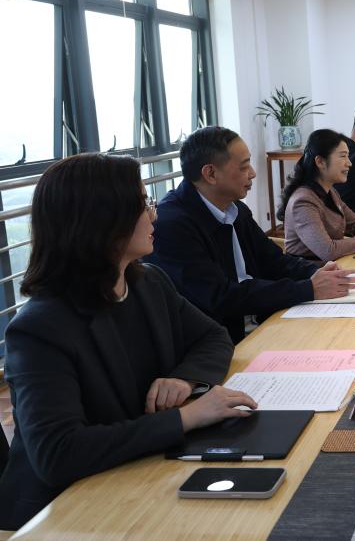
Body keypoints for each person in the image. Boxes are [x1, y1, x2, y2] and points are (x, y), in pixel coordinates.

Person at [0, 154, 257, 529]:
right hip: (66, 512)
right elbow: (58, 453)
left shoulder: (147, 282)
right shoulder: (39, 329)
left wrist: (185, 379)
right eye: (143, 204)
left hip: (141, 471)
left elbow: (213, 336)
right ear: (103, 220)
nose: (154, 215)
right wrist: (185, 417)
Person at [147, 126, 355, 343]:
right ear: (210, 174)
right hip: (219, 341)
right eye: (244, 166)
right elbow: (220, 296)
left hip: (259, 320)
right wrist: (307, 289)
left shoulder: (235, 209)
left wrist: (321, 273)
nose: (253, 173)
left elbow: (273, 261)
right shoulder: (172, 225)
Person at [281, 129, 355, 260]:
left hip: (334, 265)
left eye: (348, 156)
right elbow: (328, 251)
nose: (349, 163)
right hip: (312, 270)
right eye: (343, 156)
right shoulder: (303, 201)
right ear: (320, 162)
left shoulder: (330, 191)